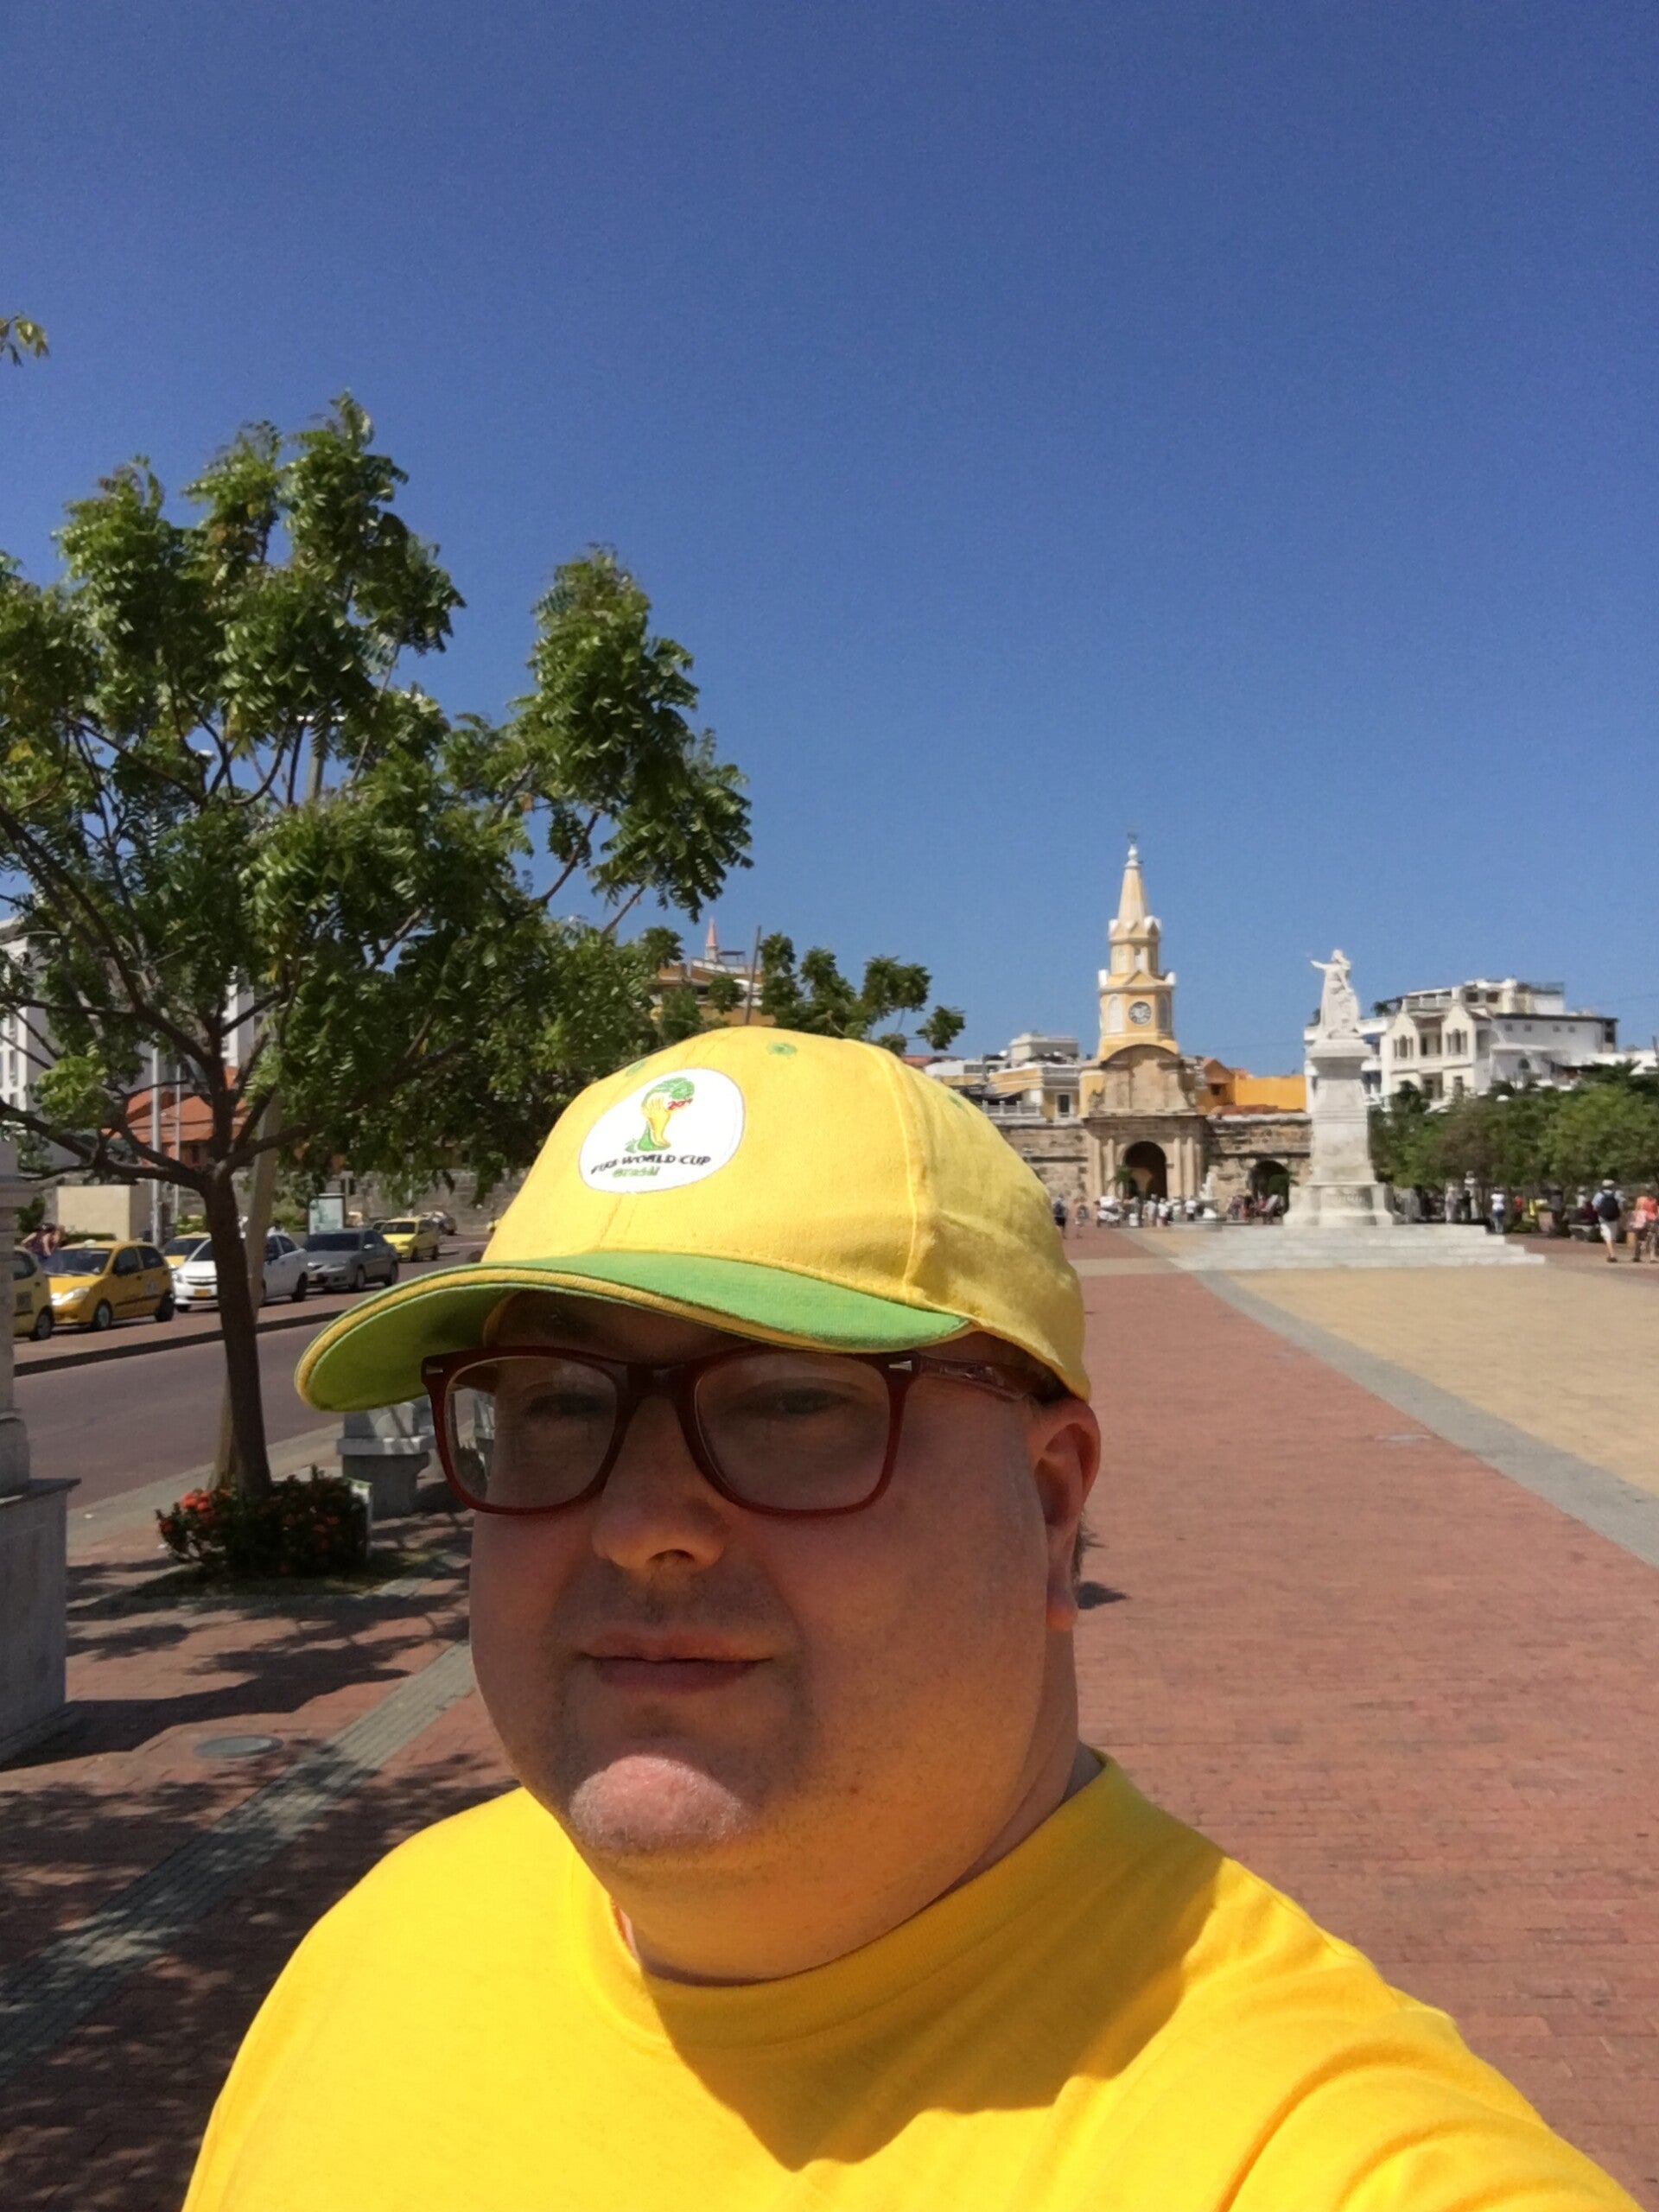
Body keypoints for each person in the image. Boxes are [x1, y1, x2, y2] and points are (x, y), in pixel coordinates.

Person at [185, 1031, 1638, 2210]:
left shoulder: (1318, 2155)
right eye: (559, 1408)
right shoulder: (376, 1950)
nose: (639, 1521)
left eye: (792, 1405)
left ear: (1051, 1504)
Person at [1593, 1177, 1622, 1262]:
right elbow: (1621, 1206)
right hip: (1615, 1217)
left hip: (1603, 1218)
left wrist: (1601, 1210)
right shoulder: (1617, 1194)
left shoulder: (1599, 1194)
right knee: (1613, 1236)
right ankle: (1610, 1253)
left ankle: (1612, 1255)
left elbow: (1595, 1207)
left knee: (1607, 1237)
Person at [1630, 1191, 1658, 1262]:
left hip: (1640, 1221)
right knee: (1652, 1238)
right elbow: (1655, 1211)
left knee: (1639, 1239)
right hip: (1651, 1220)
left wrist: (1634, 1220)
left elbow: (1636, 1210)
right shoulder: (1653, 1201)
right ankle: (1652, 1257)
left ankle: (1637, 1256)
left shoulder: (1640, 1199)